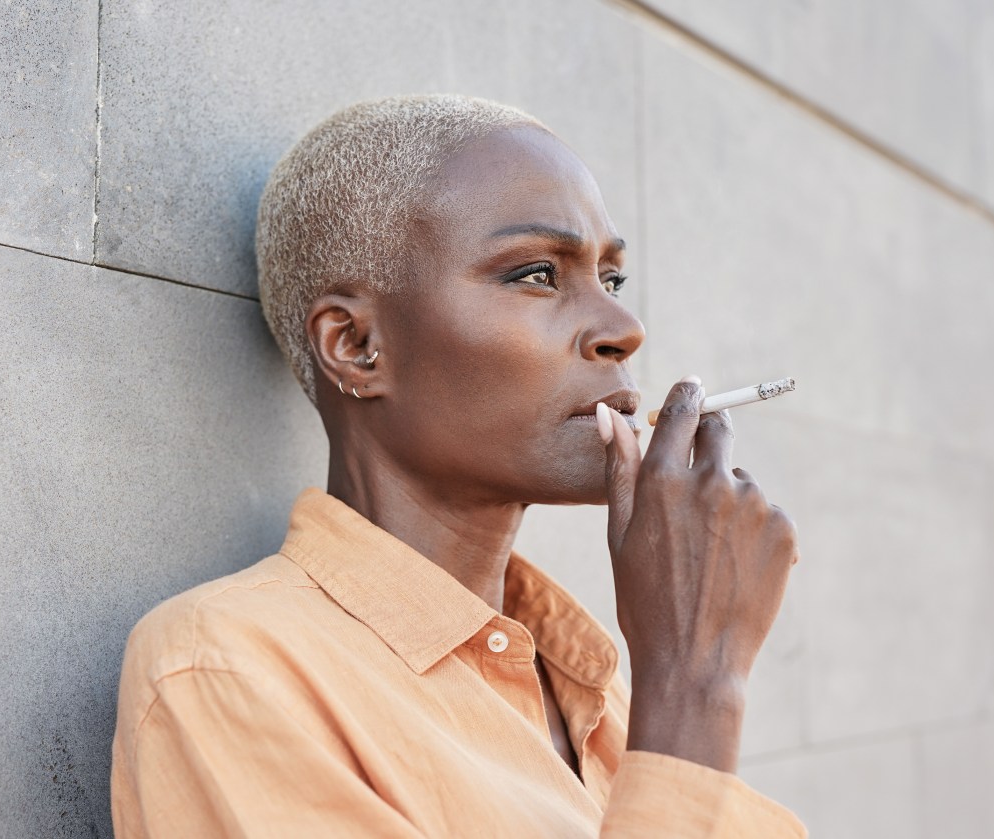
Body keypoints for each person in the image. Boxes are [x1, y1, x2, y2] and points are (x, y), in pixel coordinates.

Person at [110, 94, 805, 837]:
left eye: (612, 279)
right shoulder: (228, 671)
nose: (622, 329)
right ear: (355, 345)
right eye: (538, 273)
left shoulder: (596, 693)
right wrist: (695, 685)